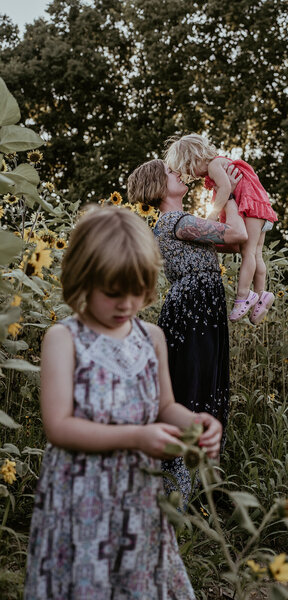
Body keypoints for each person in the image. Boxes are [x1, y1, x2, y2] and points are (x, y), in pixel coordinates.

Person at [24, 205, 223, 599]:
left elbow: (165, 405)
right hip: (82, 498)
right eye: (113, 294)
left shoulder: (150, 338)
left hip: (138, 496)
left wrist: (195, 422)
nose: (127, 305)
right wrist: (137, 436)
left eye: (138, 293)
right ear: (83, 278)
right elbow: (59, 427)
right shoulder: (64, 339)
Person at [127, 159, 247, 506]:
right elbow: (238, 234)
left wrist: (230, 195)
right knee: (190, 390)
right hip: (193, 310)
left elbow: (235, 243)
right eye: (170, 172)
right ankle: (174, 492)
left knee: (203, 387)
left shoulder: (184, 223)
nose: (178, 173)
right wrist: (231, 193)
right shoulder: (176, 221)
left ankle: (190, 488)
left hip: (202, 309)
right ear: (159, 186)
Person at [164, 133, 278, 324]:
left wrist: (211, 216)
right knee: (257, 254)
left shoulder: (215, 165)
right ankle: (261, 295)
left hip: (250, 206)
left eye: (188, 168)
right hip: (261, 208)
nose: (191, 176)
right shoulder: (220, 164)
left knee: (248, 253)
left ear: (196, 157)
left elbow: (225, 189)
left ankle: (243, 296)